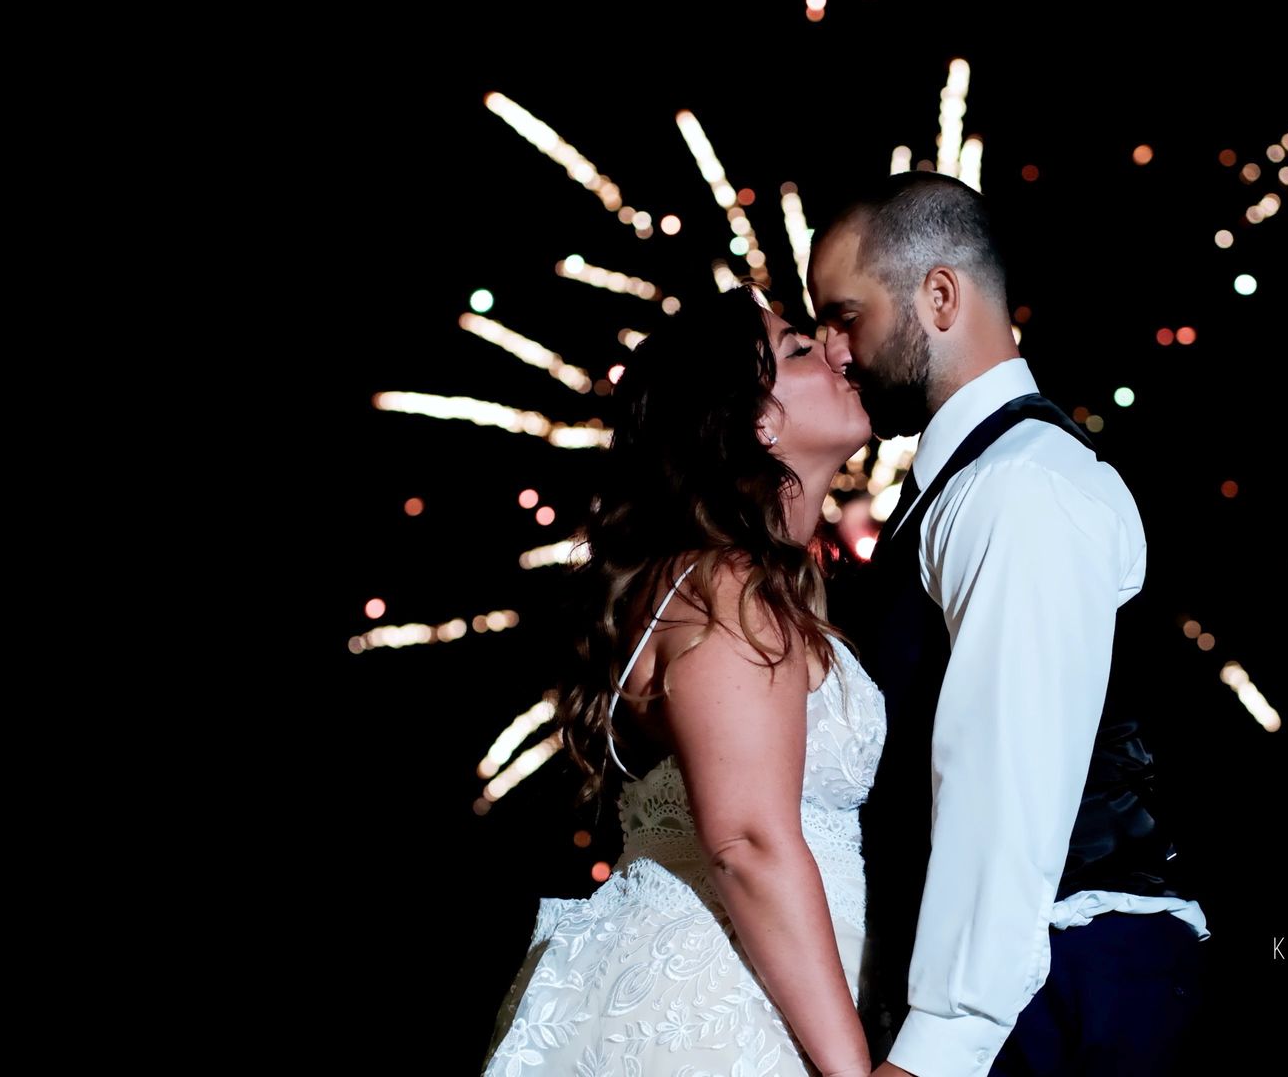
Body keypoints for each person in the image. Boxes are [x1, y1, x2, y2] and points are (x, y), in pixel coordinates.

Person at [807, 172, 1210, 1077]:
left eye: (844, 315)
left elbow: (1004, 776)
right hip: (1032, 984)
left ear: (938, 296)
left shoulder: (1020, 485)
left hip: (1064, 982)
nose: (833, 351)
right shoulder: (963, 486)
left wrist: (938, 1045)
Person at [481, 285, 887, 1077]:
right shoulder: (725, 583)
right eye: (800, 350)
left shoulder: (728, 583)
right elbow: (748, 839)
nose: (839, 353)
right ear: (757, 421)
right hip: (711, 1015)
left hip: (741, 999)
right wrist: (852, 1070)